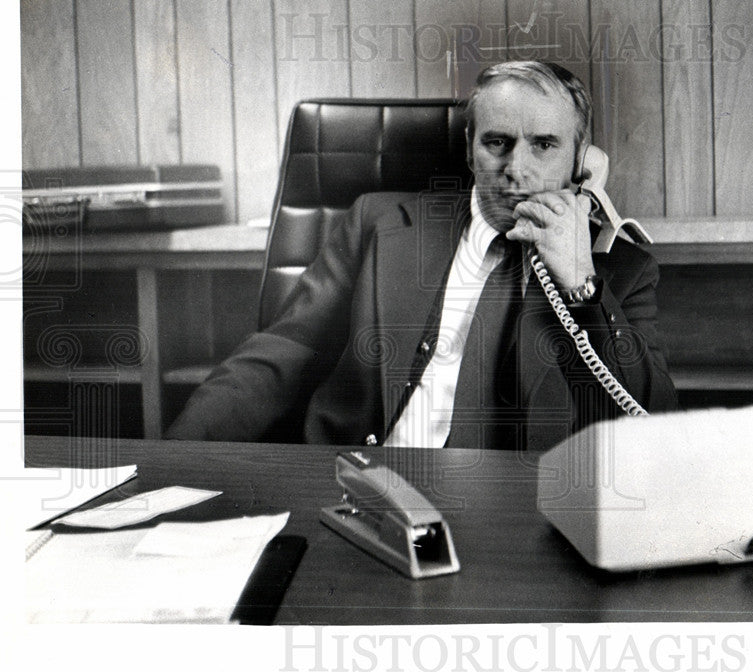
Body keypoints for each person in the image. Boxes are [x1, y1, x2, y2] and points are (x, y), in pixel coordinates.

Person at [166, 61, 677, 450]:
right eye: (497, 143)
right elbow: (278, 358)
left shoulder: (620, 272)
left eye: (544, 145)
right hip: (359, 491)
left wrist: (583, 287)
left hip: (516, 517)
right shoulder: (377, 223)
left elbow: (650, 418)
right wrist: (173, 459)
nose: (516, 169)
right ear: (469, 146)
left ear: (581, 162)